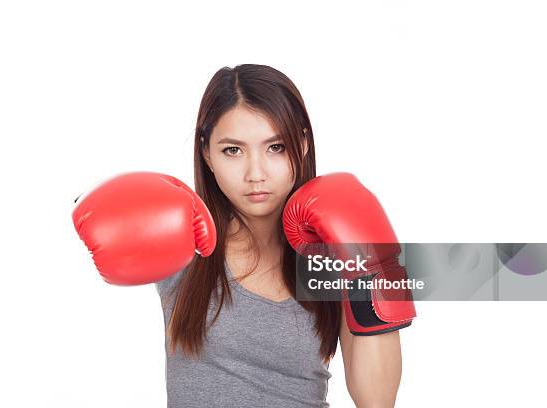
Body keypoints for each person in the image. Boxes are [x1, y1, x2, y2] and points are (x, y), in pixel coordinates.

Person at [72, 64, 415, 407]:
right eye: (232, 150)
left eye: (276, 147)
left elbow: (376, 400)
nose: (256, 174)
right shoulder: (182, 239)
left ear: (304, 144)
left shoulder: (328, 254)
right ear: (206, 152)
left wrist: (376, 264)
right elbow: (90, 213)